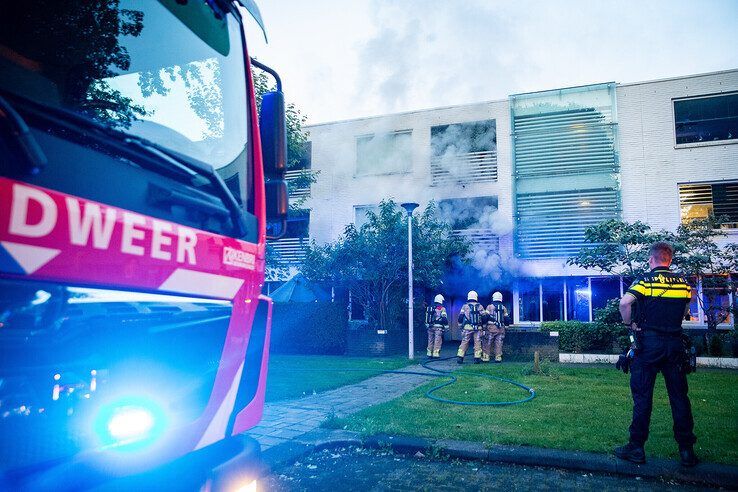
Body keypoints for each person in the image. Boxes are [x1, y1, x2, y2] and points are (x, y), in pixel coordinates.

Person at [614, 241, 698, 467]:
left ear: (651, 259)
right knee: (679, 398)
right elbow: (686, 309)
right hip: (675, 345)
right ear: (669, 259)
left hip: (648, 345)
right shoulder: (683, 284)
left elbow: (625, 303)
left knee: (643, 398)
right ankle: (687, 450)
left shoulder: (644, 281)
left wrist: (630, 324)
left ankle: (637, 448)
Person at [457, 290, 487, 364]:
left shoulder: (465, 306)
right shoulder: (480, 306)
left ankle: (460, 357)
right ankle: (477, 358)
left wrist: (460, 325)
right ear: (476, 297)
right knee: (477, 342)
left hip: (467, 327)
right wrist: (483, 326)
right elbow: (484, 318)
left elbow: (460, 317)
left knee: (465, 341)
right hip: (478, 328)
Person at [483, 291, 509, 363]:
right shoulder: (503, 308)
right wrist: (506, 326)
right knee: (499, 342)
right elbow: (507, 319)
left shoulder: (489, 307)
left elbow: (485, 318)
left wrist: (483, 325)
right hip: (501, 328)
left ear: (493, 298)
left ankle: (486, 357)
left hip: (491, 328)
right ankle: (498, 357)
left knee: (488, 342)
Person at [426, 294, 448, 358]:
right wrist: (446, 327)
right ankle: (436, 354)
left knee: (430, 340)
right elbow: (444, 319)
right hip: (438, 328)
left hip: (430, 327)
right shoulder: (442, 309)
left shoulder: (430, 307)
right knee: (437, 341)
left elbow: (427, 317)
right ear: (440, 301)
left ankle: (429, 353)